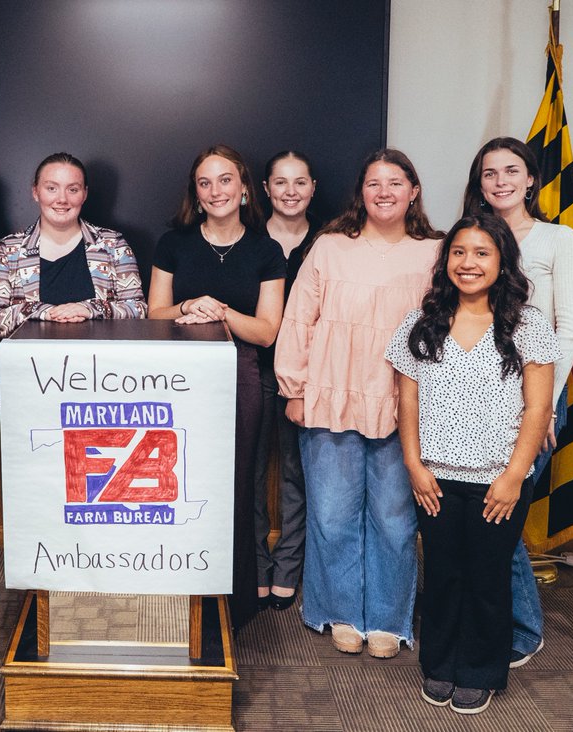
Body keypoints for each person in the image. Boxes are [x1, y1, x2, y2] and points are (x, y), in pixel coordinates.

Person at [386, 213, 559, 714]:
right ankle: (439, 665)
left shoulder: (526, 325)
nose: (469, 263)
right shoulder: (421, 324)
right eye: (459, 252)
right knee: (442, 571)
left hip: (498, 480)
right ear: (446, 262)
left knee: (486, 574)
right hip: (435, 477)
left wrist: (512, 477)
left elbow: (537, 409)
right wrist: (414, 466)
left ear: (502, 261)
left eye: (482, 253)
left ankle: (480, 671)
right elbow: (408, 402)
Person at [275, 148, 444, 658]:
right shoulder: (329, 247)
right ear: (361, 193)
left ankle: (389, 619)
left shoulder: (436, 251)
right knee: (331, 513)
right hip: (331, 393)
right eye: (374, 183)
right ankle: (339, 611)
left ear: (413, 191)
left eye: (396, 182)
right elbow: (298, 319)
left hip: (405, 402)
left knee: (395, 519)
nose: (385, 192)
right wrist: (295, 389)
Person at [148, 144, 285, 630]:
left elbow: (268, 331)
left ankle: (234, 600)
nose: (215, 191)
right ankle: (179, 588)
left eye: (224, 180)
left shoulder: (266, 250)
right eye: (205, 183)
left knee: (237, 484)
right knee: (180, 483)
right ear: (196, 192)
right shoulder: (174, 243)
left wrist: (222, 311)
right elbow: (154, 314)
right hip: (178, 380)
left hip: (241, 376)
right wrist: (189, 307)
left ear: (244, 186)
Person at [461, 136, 573, 668]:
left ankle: (522, 629)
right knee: (473, 519)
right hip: (472, 403)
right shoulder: (468, 237)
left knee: (501, 518)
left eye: (511, 171)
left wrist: (546, 407)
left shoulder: (558, 238)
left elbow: (570, 332)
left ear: (531, 178)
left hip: (532, 404)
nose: (501, 181)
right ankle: (478, 618)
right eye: (490, 173)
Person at [252, 150, 323, 611]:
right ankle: (257, 565)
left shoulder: (332, 242)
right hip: (253, 370)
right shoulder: (247, 241)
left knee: (298, 475)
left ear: (313, 188)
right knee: (252, 473)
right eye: (281, 182)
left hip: (310, 375)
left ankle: (289, 567)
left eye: (300, 182)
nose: (291, 191)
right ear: (265, 189)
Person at [0, 152, 146, 342]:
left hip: (102, 367)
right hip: (32, 367)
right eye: (51, 188)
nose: (62, 199)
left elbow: (138, 310)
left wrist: (90, 309)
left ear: (85, 194)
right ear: (35, 192)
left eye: (73, 190)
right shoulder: (8, 250)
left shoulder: (113, 245)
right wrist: (44, 311)